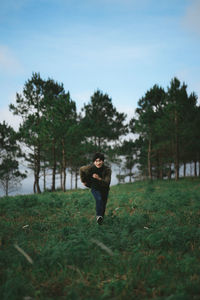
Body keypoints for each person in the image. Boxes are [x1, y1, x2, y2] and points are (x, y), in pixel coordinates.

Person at [80, 152, 111, 225]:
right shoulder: (90, 168)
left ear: (103, 161)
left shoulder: (107, 170)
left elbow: (107, 183)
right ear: (94, 162)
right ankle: (98, 216)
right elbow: (81, 169)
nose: (98, 163)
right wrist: (83, 181)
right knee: (99, 199)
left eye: (100, 161)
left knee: (103, 205)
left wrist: (99, 178)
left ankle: (100, 221)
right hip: (95, 188)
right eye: (96, 161)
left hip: (104, 189)